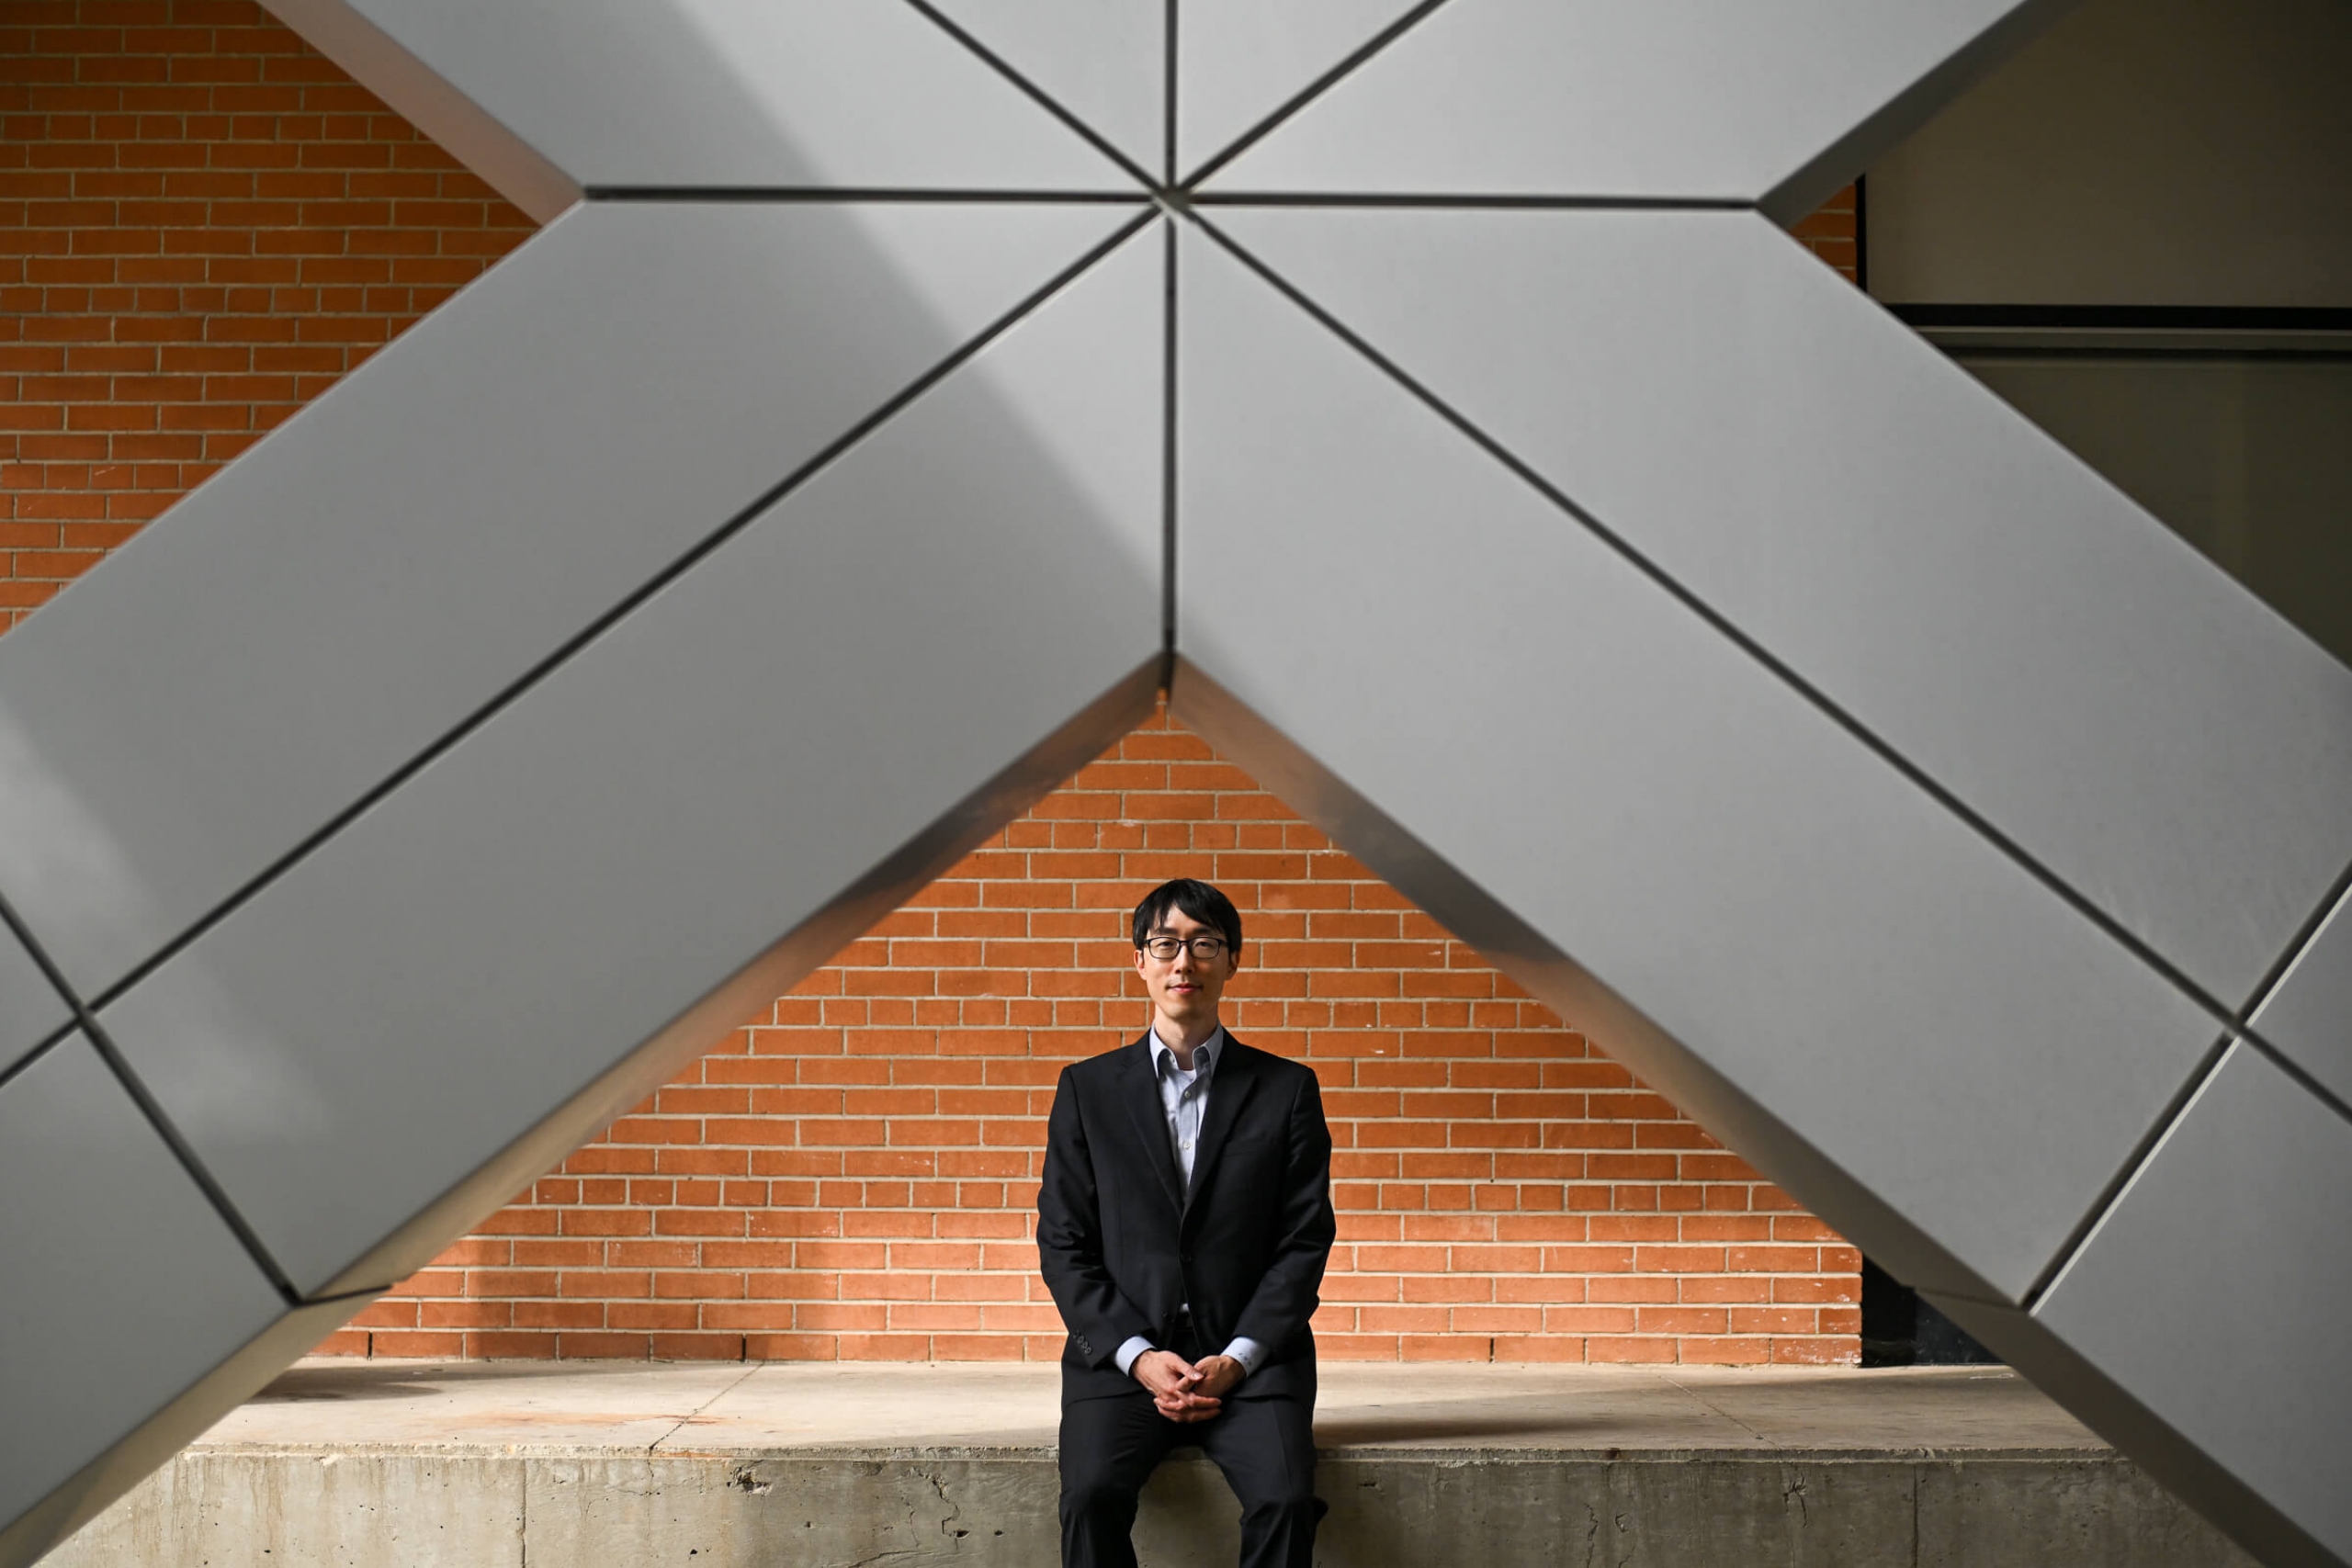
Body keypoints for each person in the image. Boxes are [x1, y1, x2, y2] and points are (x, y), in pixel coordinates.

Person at [1037, 877, 1337, 1568]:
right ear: (1140, 960)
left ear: (1232, 960)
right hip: (1121, 1356)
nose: (1184, 962)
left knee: (1287, 1499)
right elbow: (1063, 1240)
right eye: (1166, 943)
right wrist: (1137, 1355)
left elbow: (1304, 1239)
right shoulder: (1087, 1089)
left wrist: (1238, 1357)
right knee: (1089, 1494)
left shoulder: (1287, 1089)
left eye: (1204, 944)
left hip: (1252, 1358)